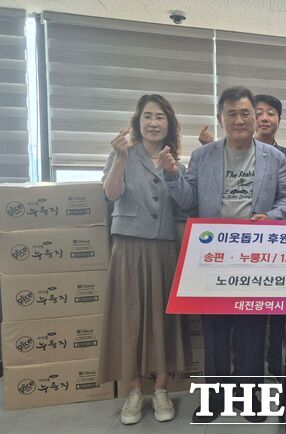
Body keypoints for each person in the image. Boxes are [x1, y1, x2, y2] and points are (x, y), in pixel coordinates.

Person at [158, 86, 286, 424]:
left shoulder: (274, 157)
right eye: (232, 114)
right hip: (213, 253)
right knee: (215, 329)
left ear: (255, 117)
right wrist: (173, 175)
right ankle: (214, 398)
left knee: (252, 330)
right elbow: (188, 199)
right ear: (221, 119)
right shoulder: (203, 156)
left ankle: (248, 398)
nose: (239, 120)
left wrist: (273, 216)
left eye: (245, 113)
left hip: (255, 253)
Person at [99, 94, 186, 425]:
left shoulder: (175, 161)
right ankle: (134, 390)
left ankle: (161, 388)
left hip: (164, 247)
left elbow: (185, 203)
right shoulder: (122, 153)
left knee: (163, 317)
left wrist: (174, 173)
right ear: (138, 122)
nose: (153, 123)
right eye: (148, 116)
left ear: (169, 124)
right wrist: (120, 159)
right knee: (130, 318)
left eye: (160, 117)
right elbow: (110, 194)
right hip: (129, 245)